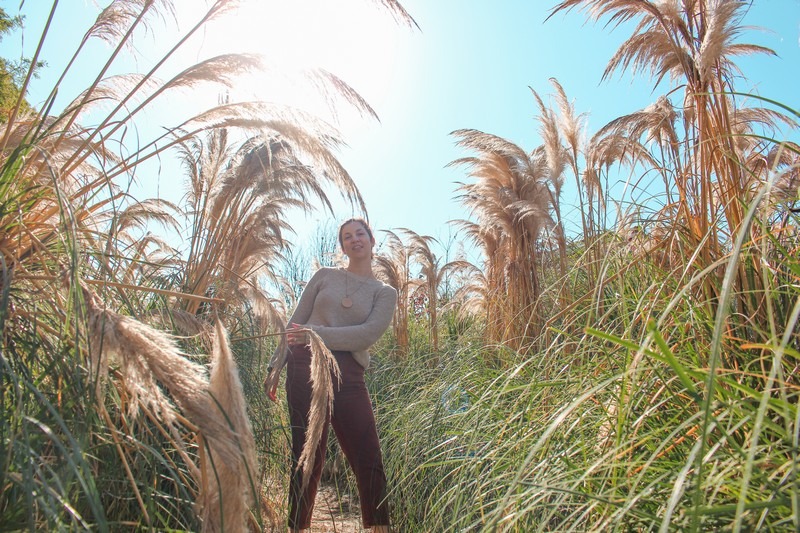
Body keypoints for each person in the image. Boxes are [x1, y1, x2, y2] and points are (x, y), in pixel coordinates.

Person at [264, 218, 397, 533]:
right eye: (347, 237)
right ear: (343, 246)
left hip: (349, 374)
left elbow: (365, 336)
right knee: (306, 453)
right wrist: (275, 364)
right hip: (303, 364)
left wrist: (316, 332)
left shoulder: (384, 292)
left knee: (369, 454)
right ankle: (298, 528)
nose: (354, 240)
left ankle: (379, 528)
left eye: (360, 234)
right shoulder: (324, 276)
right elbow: (295, 323)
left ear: (371, 239)